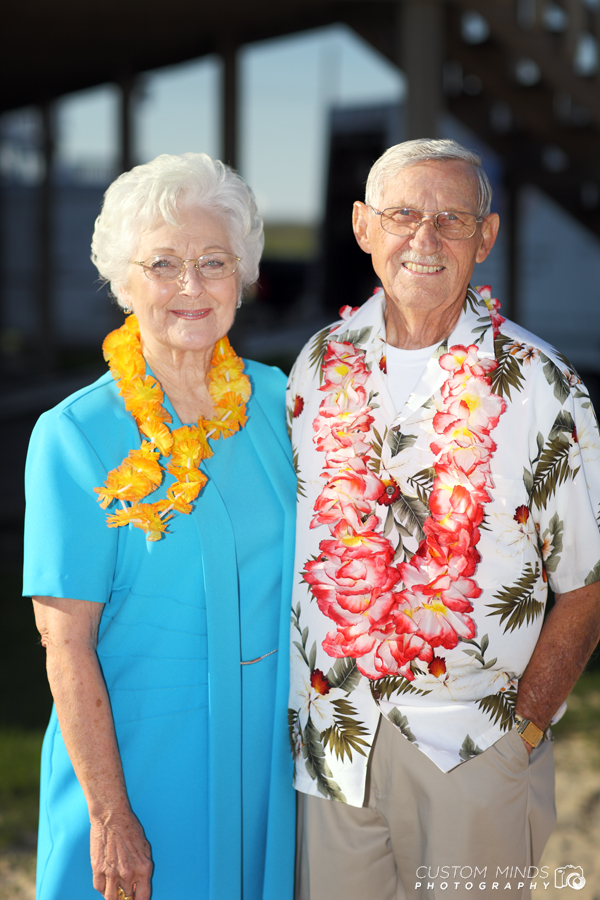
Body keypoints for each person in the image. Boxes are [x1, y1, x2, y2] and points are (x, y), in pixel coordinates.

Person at [287, 138, 600, 899]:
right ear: (364, 227)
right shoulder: (317, 367)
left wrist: (520, 733)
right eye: (403, 214)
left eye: (452, 219)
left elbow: (585, 587)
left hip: (474, 747)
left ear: (485, 238)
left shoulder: (541, 385)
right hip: (334, 749)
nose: (424, 239)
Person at [23, 152, 296, 900]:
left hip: (268, 761)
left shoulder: (281, 404)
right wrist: (111, 815)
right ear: (123, 280)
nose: (190, 287)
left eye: (213, 262)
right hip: (139, 766)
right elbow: (66, 643)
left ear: (242, 275)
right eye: (164, 264)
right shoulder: (74, 434)